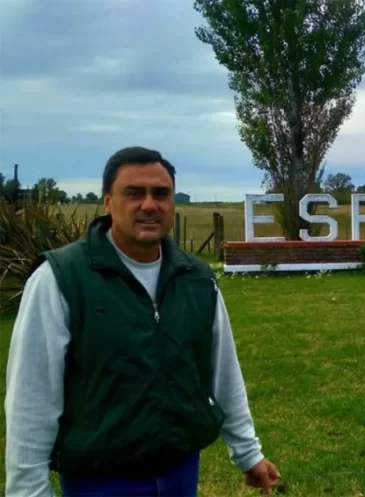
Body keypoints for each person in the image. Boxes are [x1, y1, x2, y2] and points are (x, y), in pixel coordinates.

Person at [4, 146, 281, 496]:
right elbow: (31, 396)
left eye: (161, 194)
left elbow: (223, 372)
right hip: (99, 480)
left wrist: (248, 453)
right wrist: (27, 490)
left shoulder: (196, 278)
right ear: (108, 202)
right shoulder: (61, 278)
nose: (149, 205)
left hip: (180, 472)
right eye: (134, 193)